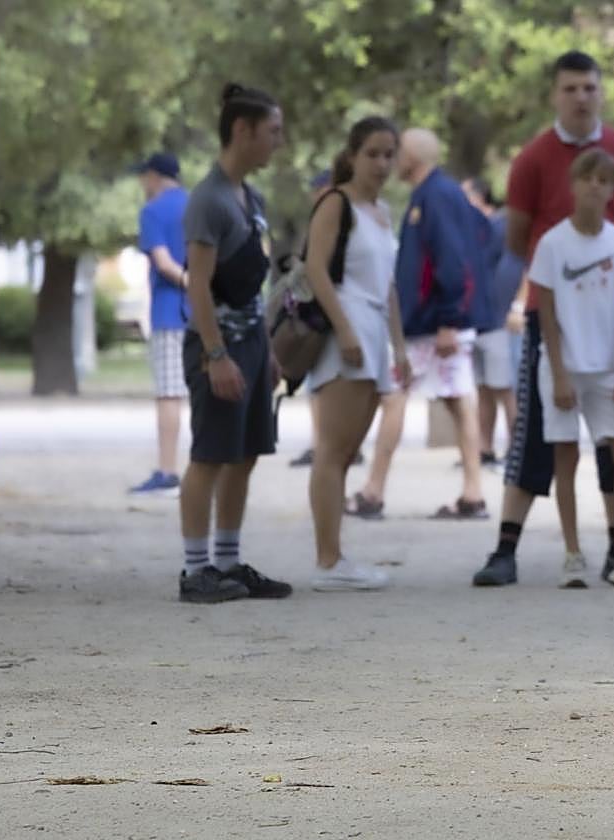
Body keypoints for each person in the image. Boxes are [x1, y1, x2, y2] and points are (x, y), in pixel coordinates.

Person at [471, 49, 614, 587]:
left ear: (601, 91)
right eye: (570, 88)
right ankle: (506, 548)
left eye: (589, 87)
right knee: (536, 433)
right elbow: (518, 238)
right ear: (555, 94)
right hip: (554, 317)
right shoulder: (533, 158)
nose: (581, 97)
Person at [177, 83, 292, 604]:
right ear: (242, 131)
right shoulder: (209, 200)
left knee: (244, 454)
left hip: (250, 345)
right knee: (209, 456)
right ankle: (195, 570)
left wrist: (266, 348)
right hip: (216, 348)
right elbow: (198, 285)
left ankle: (227, 562)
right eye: (272, 132)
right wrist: (216, 353)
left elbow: (251, 287)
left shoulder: (252, 198)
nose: (278, 142)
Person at [348, 128, 490, 520]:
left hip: (435, 323)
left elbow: (452, 258)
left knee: (395, 395)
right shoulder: (430, 194)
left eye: (396, 153)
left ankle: (373, 491)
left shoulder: (436, 196)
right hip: (435, 320)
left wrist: (448, 321)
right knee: (458, 401)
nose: (391, 161)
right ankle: (473, 493)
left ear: (412, 157)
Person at [532, 149, 614, 587]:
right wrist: (560, 373)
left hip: (608, 371)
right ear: (573, 185)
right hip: (564, 368)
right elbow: (545, 314)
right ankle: (573, 553)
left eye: (604, 180)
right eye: (587, 178)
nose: (594, 186)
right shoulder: (552, 244)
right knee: (566, 456)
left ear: (613, 190)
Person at [304, 117, 406, 591]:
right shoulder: (335, 203)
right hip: (346, 327)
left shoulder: (382, 211)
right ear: (352, 156)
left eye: (389, 154)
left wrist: (399, 346)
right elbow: (316, 269)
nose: (382, 164)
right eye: (373, 154)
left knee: (346, 452)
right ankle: (328, 560)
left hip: (374, 331)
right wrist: (345, 330)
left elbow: (388, 286)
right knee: (332, 449)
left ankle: (336, 555)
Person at [288, 170, 366, 470]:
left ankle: (330, 444)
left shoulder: (337, 219)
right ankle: (324, 441)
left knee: (329, 384)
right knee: (319, 384)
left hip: (328, 314)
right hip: (325, 313)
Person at [128, 152, 189, 497]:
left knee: (169, 393)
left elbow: (164, 263)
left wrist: (190, 282)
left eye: (143, 177)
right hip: (205, 313)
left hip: (170, 311)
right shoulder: (198, 206)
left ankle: (167, 471)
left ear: (153, 176)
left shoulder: (152, 212)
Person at [462, 176, 522, 466]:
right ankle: (483, 449)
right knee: (484, 388)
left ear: (478, 197)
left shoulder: (502, 226)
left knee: (505, 387)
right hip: (476, 321)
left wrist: (514, 307)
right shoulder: (472, 231)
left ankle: (516, 448)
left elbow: (519, 266)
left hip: (498, 318)